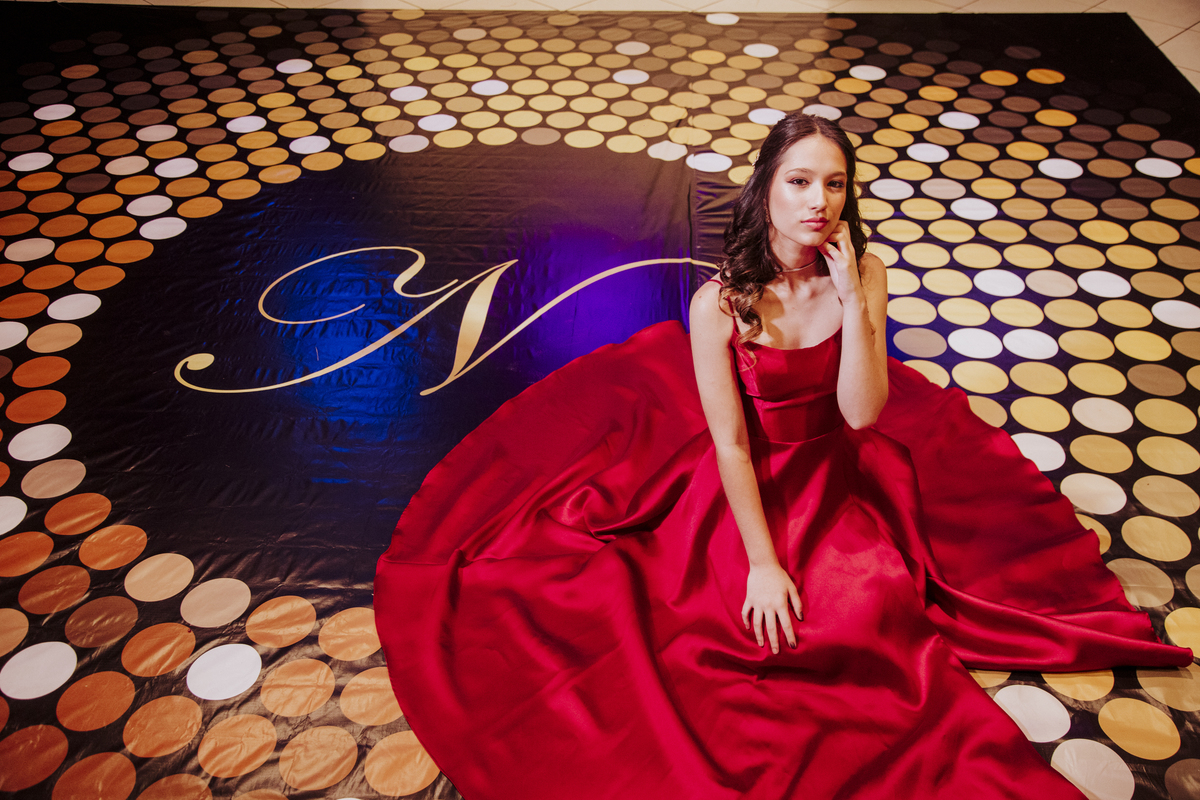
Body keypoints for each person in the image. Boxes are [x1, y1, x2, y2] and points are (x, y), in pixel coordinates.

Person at [375, 112, 1191, 800]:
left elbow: (862, 413)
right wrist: (763, 563)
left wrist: (853, 303)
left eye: (834, 184)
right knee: (744, 630)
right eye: (799, 181)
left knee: (869, 614)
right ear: (766, 186)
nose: (818, 202)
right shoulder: (720, 302)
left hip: (839, 477)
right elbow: (730, 441)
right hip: (749, 484)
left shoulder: (865, 272)